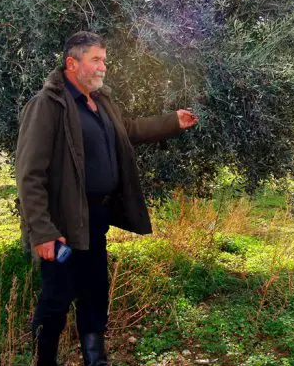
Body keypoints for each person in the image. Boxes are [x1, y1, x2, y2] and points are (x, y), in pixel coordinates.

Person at [16, 31, 198, 366]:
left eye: (104, 59)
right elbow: (30, 174)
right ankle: (44, 361)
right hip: (62, 222)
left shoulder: (100, 103)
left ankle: (95, 360)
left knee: (94, 293)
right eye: (96, 59)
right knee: (56, 298)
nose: (103, 66)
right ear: (73, 63)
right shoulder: (48, 104)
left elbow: (127, 130)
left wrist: (172, 121)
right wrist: (41, 231)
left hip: (95, 218)